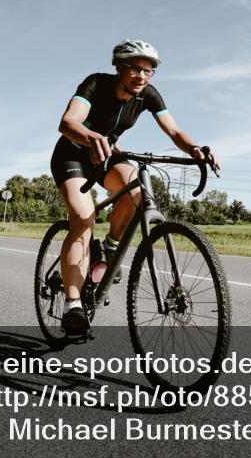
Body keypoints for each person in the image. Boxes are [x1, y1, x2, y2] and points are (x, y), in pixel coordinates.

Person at [50, 39, 220, 335]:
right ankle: (73, 304)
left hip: (108, 154)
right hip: (73, 153)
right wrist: (91, 137)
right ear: (118, 68)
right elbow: (68, 122)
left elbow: (174, 130)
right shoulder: (96, 84)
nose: (142, 76)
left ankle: (110, 248)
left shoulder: (148, 95)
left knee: (139, 193)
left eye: (148, 70)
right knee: (84, 219)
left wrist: (194, 148)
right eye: (134, 68)